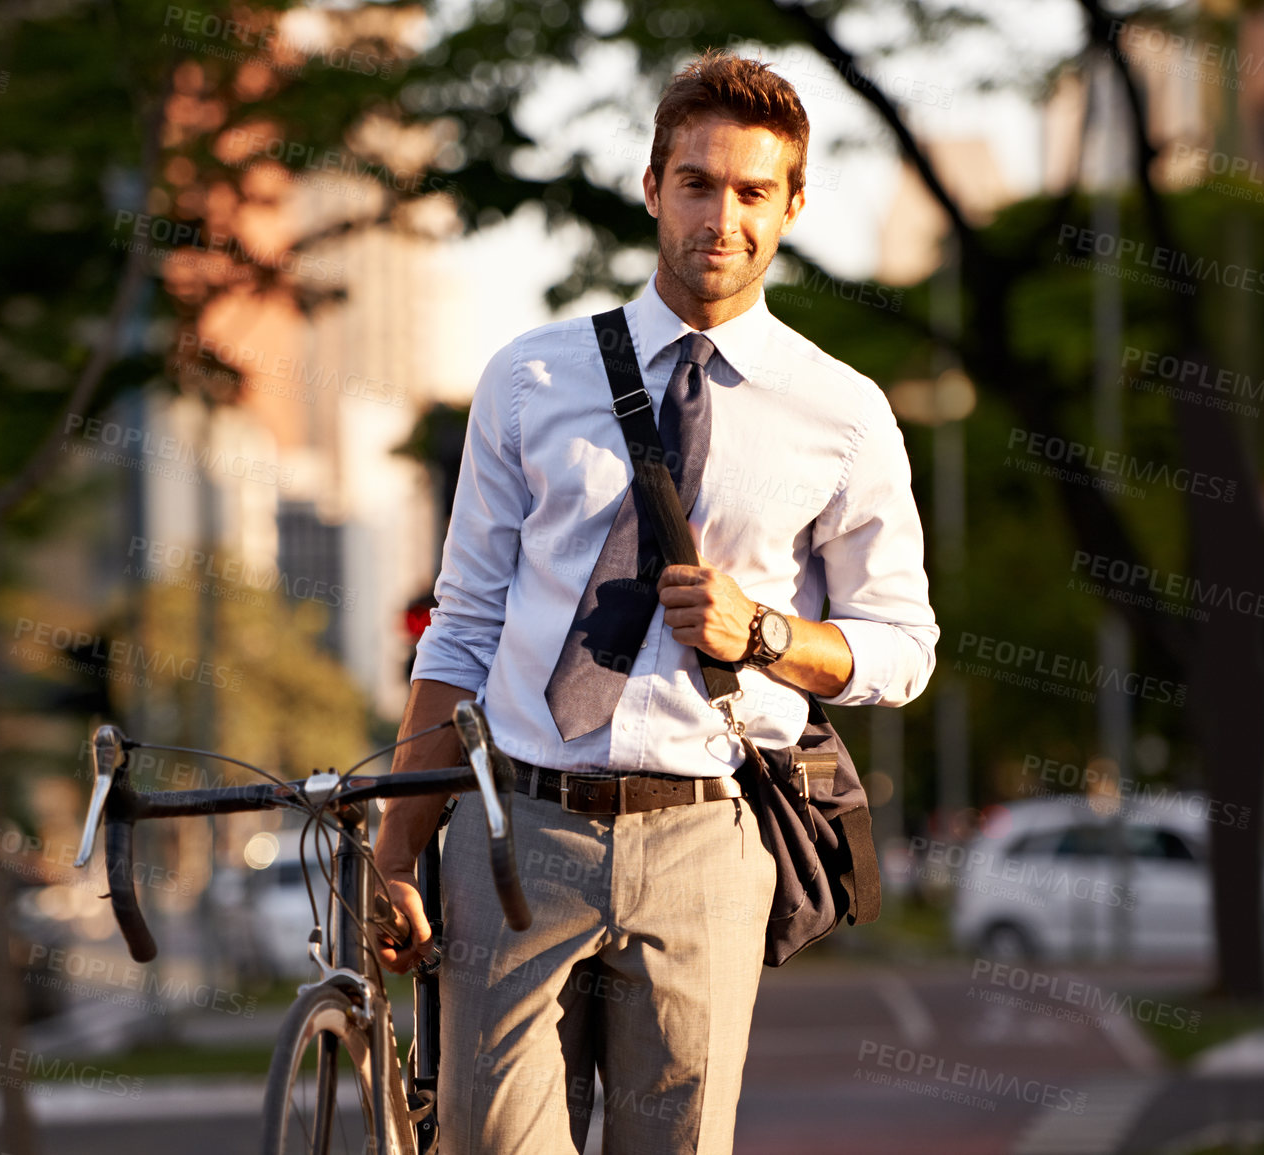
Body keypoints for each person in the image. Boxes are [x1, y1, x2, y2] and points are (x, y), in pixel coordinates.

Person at [375, 49, 940, 1155]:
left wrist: (766, 635)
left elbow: (904, 646)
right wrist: (399, 850)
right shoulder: (530, 379)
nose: (720, 217)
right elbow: (465, 621)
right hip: (517, 831)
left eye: (751, 191)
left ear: (792, 205)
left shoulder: (843, 411)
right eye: (696, 182)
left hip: (707, 837)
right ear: (652, 186)